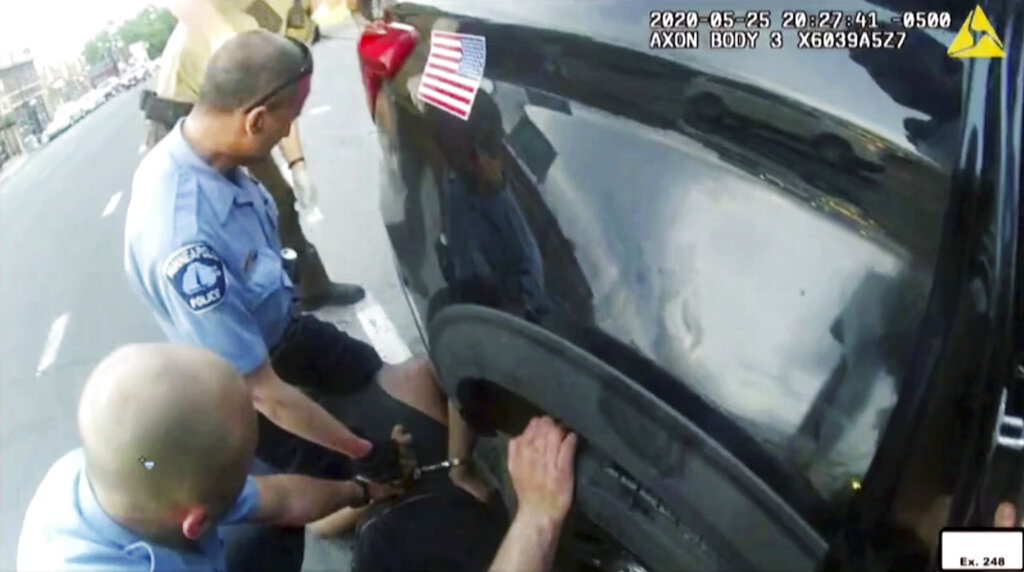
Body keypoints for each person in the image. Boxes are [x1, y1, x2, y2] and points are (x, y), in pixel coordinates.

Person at [124, 29, 490, 512]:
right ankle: (336, 506)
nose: (289, 134)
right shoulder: (186, 239)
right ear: (256, 119)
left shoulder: (213, 156)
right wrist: (362, 454)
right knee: (380, 484)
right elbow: (262, 393)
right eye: (289, 121)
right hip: (243, 390)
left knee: (406, 377)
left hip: (284, 332)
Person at [16, 343, 401, 572]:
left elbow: (280, 498)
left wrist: (361, 491)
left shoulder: (124, 467)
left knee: (263, 527)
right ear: (194, 522)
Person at [143, 0, 363, 309]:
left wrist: (297, 163)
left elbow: (280, 103)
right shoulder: (255, 14)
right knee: (220, 226)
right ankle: (255, 324)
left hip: (243, 108)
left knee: (280, 200)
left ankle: (311, 290)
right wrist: (220, 35)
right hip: (187, 118)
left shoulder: (295, 21)